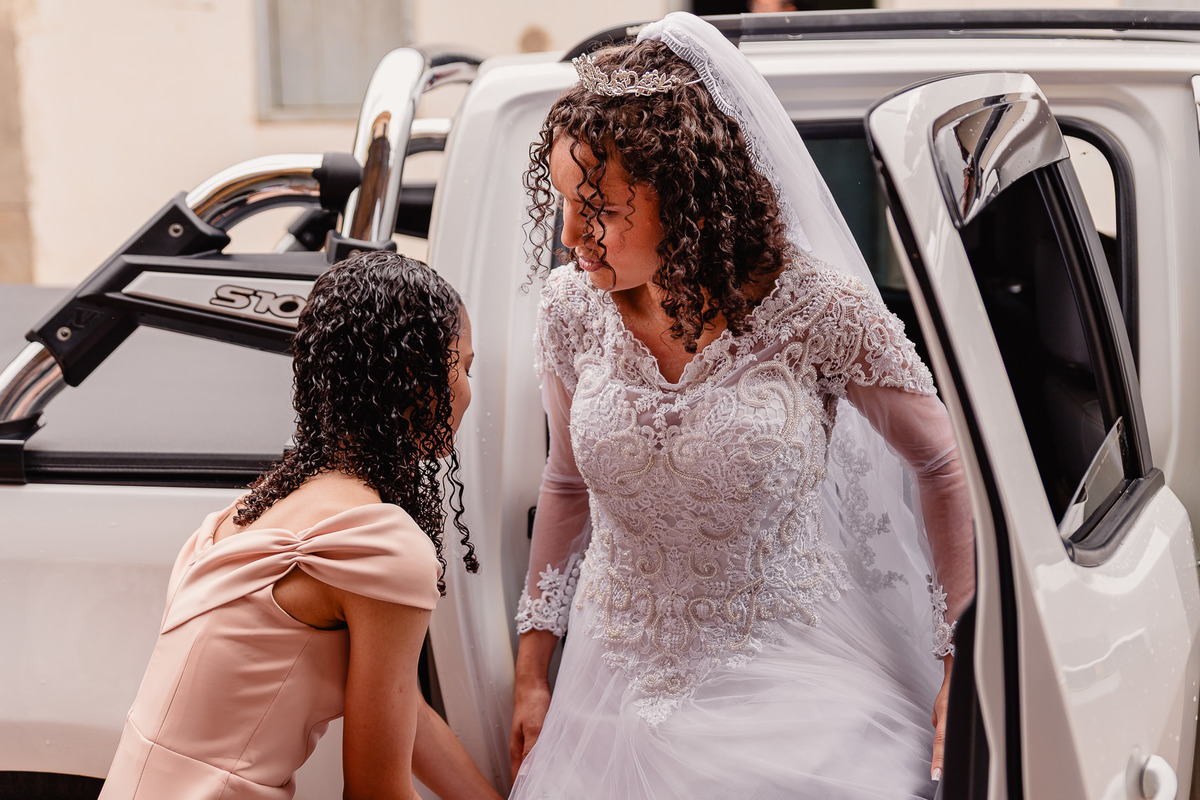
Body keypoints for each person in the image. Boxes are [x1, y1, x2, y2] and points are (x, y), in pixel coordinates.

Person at [509, 12, 974, 800]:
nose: (573, 235)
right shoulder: (570, 309)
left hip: (790, 686)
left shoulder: (813, 308)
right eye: (563, 203)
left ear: (684, 198)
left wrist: (956, 666)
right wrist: (531, 674)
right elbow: (565, 484)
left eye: (604, 209)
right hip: (607, 696)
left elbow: (939, 460)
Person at [99, 251, 502, 800]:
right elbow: (375, 793)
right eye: (464, 367)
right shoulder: (376, 543)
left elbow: (406, 711)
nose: (468, 391)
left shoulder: (253, 510)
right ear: (416, 376)